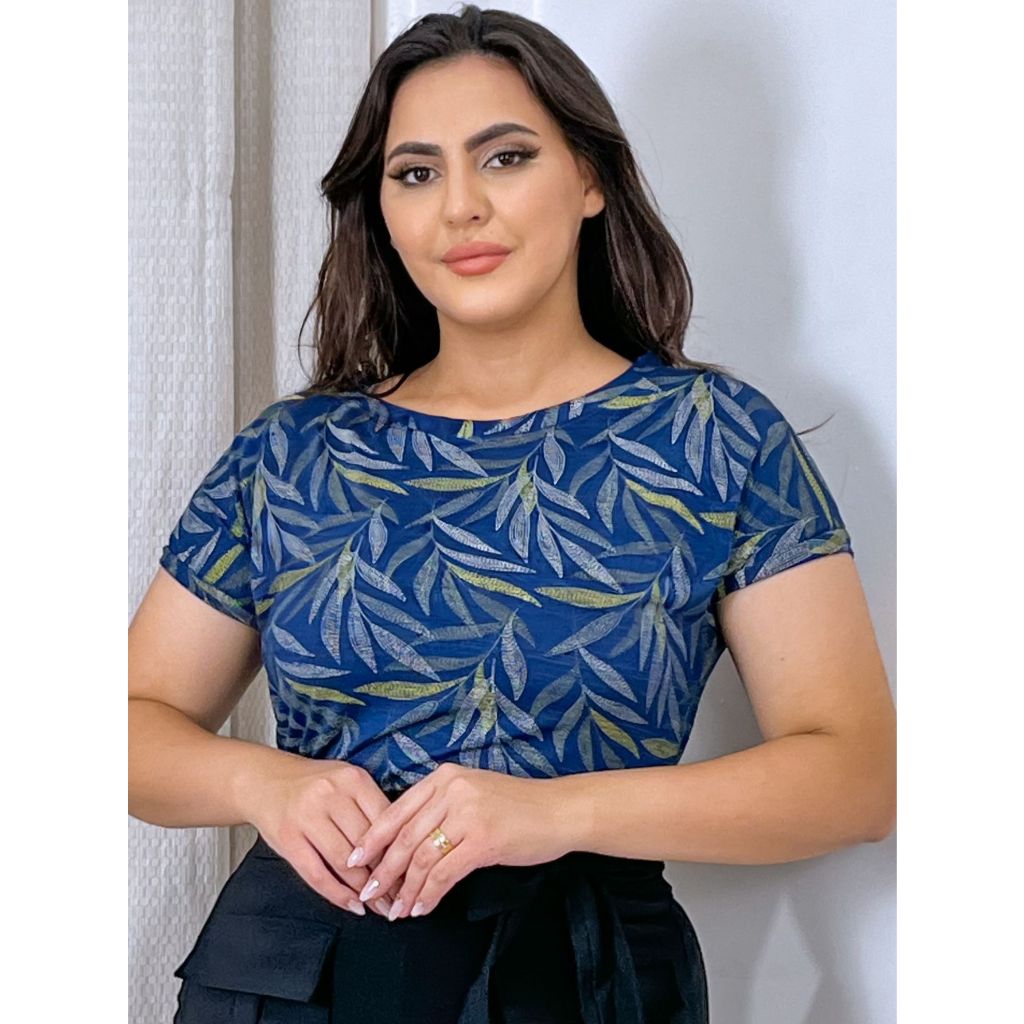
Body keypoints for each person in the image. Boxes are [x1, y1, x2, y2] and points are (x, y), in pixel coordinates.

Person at [128, 5, 896, 1022]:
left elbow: (855, 776)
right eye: (415, 173)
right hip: (291, 979)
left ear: (590, 179)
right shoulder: (292, 454)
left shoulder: (714, 439)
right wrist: (261, 784)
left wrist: (553, 812)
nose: (460, 207)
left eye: (505, 157)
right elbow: (126, 724)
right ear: (381, 211)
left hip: (580, 977)